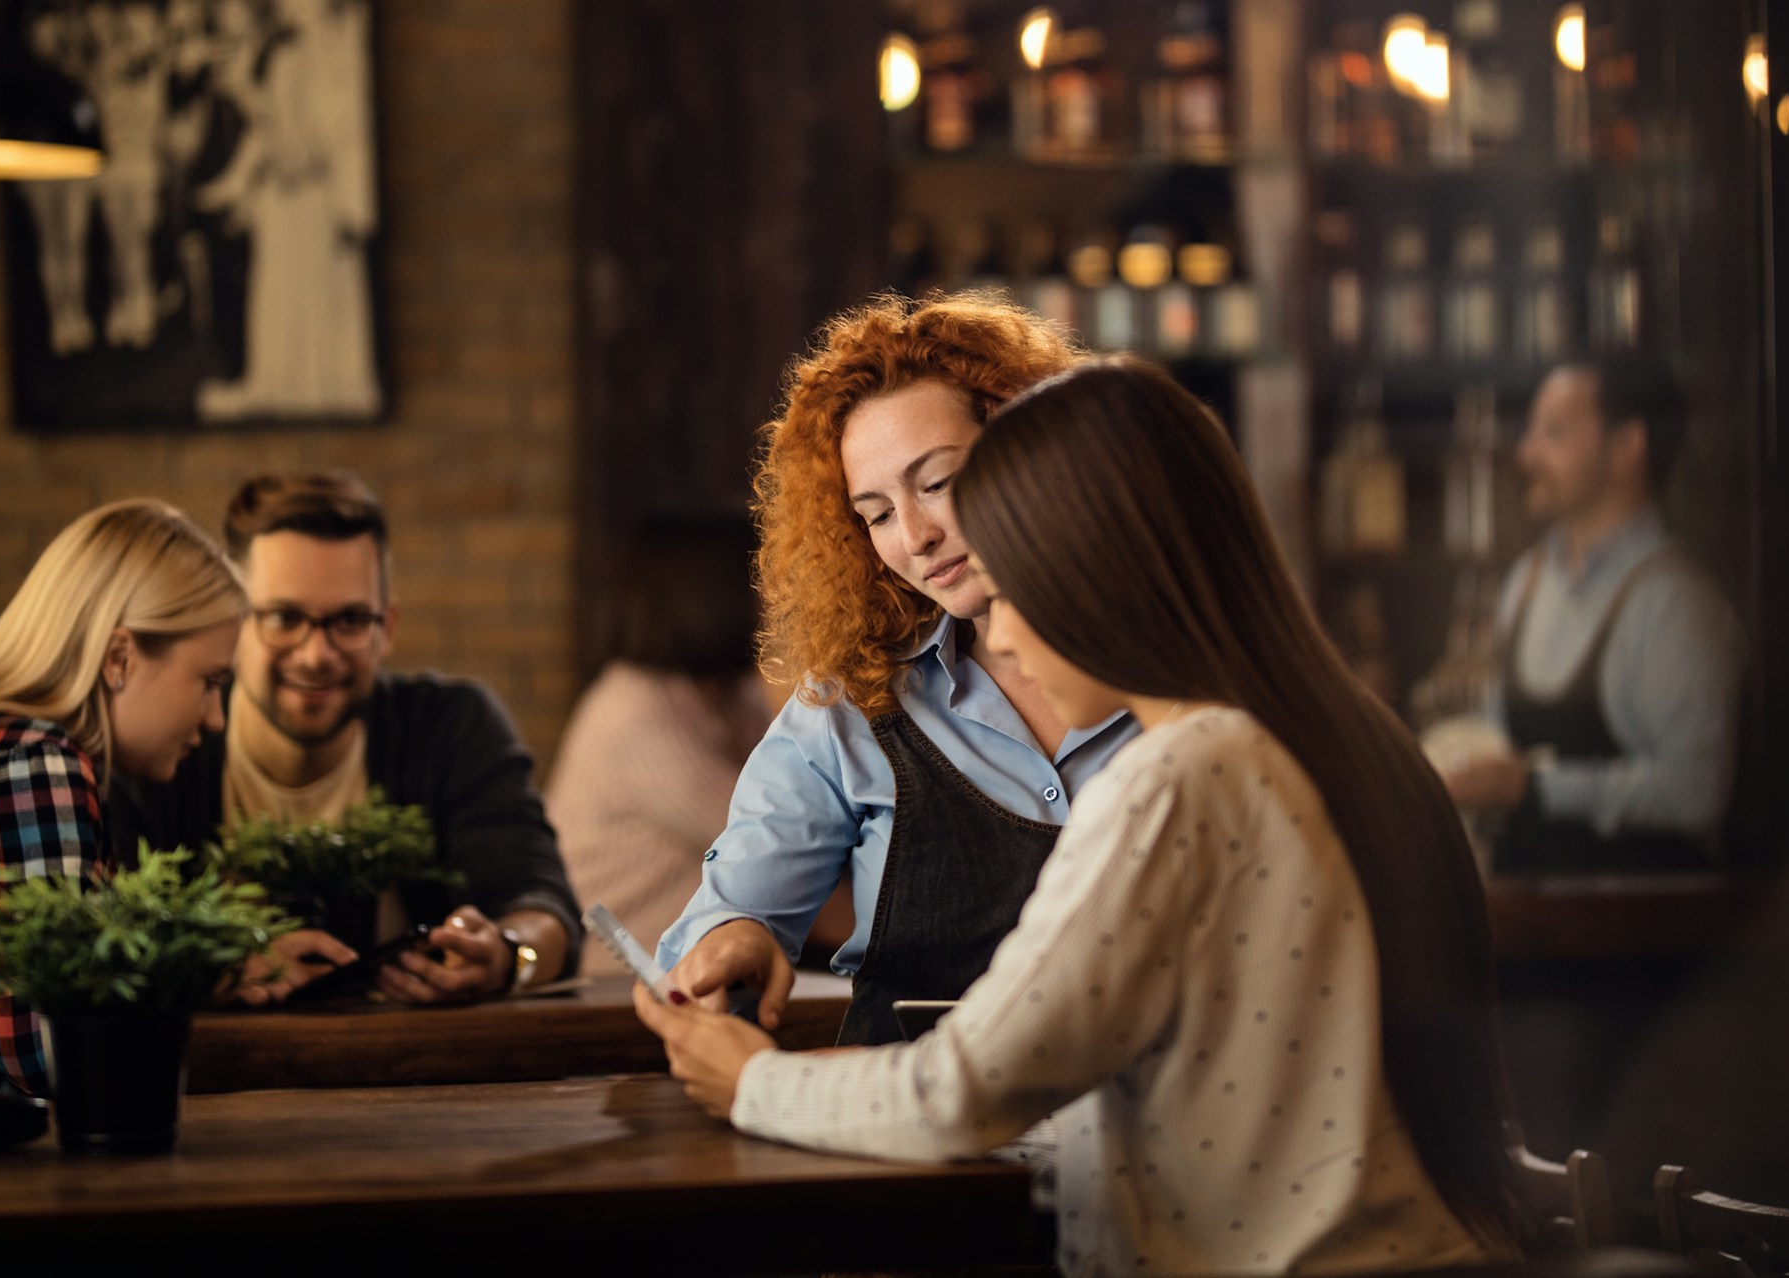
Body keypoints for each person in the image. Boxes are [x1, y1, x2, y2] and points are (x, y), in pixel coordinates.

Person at [636, 359, 1523, 1275]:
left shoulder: (1178, 775)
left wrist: (753, 1083)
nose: (1003, 636)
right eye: (875, 515)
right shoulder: (1355, 737)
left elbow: (964, 1092)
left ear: (1106, 555)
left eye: (1019, 584)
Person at [655, 293, 1140, 1045]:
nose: (915, 537)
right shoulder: (851, 704)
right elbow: (731, 910)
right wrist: (737, 939)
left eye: (938, 482)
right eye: (876, 513)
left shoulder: (1179, 672)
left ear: (1036, 449)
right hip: (908, 1140)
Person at [111, 472, 582, 1004]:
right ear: (232, 623)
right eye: (285, 618)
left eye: (351, 620)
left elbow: (542, 900)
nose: (316, 655)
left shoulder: (451, 725)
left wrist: (508, 954)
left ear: (389, 626)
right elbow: (106, 934)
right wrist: (214, 967)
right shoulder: (166, 742)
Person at [0, 500, 248, 1094]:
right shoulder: (35, 764)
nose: (216, 719)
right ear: (119, 656)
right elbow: (45, 1053)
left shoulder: (6, 747)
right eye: (210, 681)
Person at [1443, 356, 1742, 873]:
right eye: (1531, 431)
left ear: (1627, 447)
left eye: (1553, 433)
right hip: (1529, 928)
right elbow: (1498, 738)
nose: (1526, 452)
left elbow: (1696, 793)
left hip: (1635, 938)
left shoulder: (1674, 602)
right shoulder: (1527, 581)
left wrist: (1535, 788)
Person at [546, 514, 781, 968]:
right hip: (614, 985)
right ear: (714, 593)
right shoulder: (634, 709)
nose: (783, 594)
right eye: (768, 574)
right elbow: (771, 846)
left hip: (695, 973)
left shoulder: (735, 695)